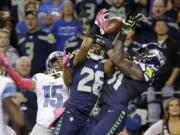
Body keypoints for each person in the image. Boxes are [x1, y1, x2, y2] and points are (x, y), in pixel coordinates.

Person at [90, 12, 166, 135]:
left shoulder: (146, 72)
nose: (140, 54)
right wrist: (104, 35)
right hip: (104, 106)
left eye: (144, 52)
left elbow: (116, 59)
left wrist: (124, 31)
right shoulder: (134, 64)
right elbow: (113, 54)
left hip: (115, 109)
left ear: (153, 56)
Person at [53, 9, 113, 135]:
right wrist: (96, 26)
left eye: (100, 46)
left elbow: (114, 59)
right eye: (94, 45)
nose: (96, 47)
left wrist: (106, 35)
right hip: (73, 110)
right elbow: (69, 82)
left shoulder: (104, 64)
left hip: (89, 115)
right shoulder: (81, 59)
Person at [0, 51, 69, 135]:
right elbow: (20, 81)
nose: (59, 65)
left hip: (63, 123)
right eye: (56, 63)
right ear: (50, 64)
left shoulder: (70, 79)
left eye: (62, 63)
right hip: (43, 124)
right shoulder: (40, 77)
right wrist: (7, 66)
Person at [18, 10, 56, 76]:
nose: (30, 21)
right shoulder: (21, 39)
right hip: (26, 77)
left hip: (44, 75)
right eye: (28, 19)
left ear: (37, 20)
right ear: (25, 21)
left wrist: (48, 71)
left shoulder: (48, 36)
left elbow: (54, 55)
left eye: (32, 19)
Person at [15, 56, 37, 130]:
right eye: (21, 65)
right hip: (13, 127)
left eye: (27, 66)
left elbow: (41, 106)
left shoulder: (37, 84)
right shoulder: (9, 84)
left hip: (32, 126)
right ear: (16, 68)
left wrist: (26, 100)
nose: (25, 68)